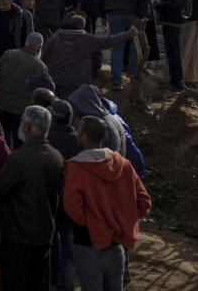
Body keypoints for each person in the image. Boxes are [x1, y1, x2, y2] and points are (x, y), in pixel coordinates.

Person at [64, 116, 151, 291]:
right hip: (117, 247)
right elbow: (144, 203)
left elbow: (72, 208)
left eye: (79, 130)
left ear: (85, 136)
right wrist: (121, 220)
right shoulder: (123, 164)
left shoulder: (76, 167)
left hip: (88, 245)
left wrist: (96, 224)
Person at [0, 105, 64, 291]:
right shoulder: (56, 157)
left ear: (27, 127)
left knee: (13, 284)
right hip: (43, 234)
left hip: (17, 235)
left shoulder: (20, 158)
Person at [42, 14, 134, 98]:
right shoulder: (87, 38)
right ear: (82, 26)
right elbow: (110, 40)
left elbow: (43, 57)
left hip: (53, 80)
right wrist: (128, 34)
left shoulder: (54, 37)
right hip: (76, 81)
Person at [96, 0, 150, 90]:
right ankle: (132, 76)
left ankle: (116, 81)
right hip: (134, 16)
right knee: (136, 46)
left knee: (117, 47)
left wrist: (102, 15)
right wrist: (143, 16)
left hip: (114, 15)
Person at [47, 99, 82, 291]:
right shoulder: (79, 140)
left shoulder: (46, 138)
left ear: (52, 117)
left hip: (51, 200)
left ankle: (52, 279)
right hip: (73, 201)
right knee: (70, 247)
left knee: (51, 242)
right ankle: (66, 284)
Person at [154, 0, 191, 91]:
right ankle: (175, 81)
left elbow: (176, 1)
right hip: (170, 19)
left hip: (173, 19)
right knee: (171, 52)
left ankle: (177, 82)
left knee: (174, 52)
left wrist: (159, 5)